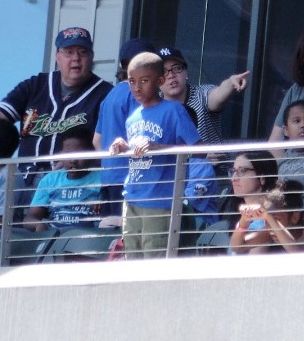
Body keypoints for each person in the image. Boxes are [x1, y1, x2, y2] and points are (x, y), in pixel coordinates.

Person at [0, 26, 113, 183]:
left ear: (91, 57)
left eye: (82, 52)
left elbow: (106, 146)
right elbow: (1, 117)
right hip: (24, 180)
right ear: (58, 56)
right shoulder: (35, 85)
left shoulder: (106, 94)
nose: (76, 58)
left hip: (71, 182)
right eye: (69, 52)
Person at [109, 52, 200, 259]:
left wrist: (158, 146)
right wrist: (122, 145)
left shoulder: (173, 110)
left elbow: (199, 149)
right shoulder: (132, 117)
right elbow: (138, 150)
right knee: (132, 259)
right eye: (132, 81)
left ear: (160, 81)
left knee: (154, 262)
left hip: (160, 201)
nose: (137, 87)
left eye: (144, 81)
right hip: (131, 198)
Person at [93, 37, 156, 225]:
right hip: (134, 180)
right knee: (131, 242)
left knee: (112, 243)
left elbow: (97, 141)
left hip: (109, 179)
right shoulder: (137, 94)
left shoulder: (111, 95)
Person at [157, 45, 249, 172]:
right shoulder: (153, 107)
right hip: (170, 178)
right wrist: (194, 156)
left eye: (176, 69)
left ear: (186, 72)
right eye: (164, 72)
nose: (171, 75)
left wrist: (231, 83)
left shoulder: (201, 94)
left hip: (214, 174)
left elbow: (218, 94)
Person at [24, 126, 102, 230]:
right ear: (60, 154)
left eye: (79, 154)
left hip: (88, 238)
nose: (73, 160)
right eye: (68, 154)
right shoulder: (50, 180)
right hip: (54, 238)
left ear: (91, 154)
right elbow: (31, 217)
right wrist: (37, 224)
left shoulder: (102, 178)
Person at [229, 180, 304, 254]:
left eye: (275, 218)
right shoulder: (272, 229)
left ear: (295, 216)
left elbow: (297, 252)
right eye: (266, 219)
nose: (270, 224)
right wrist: (244, 221)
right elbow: (237, 247)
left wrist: (270, 218)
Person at [222, 151, 280, 229]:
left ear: (262, 178)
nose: (233, 179)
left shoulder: (275, 217)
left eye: (242, 171)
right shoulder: (239, 215)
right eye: (233, 171)